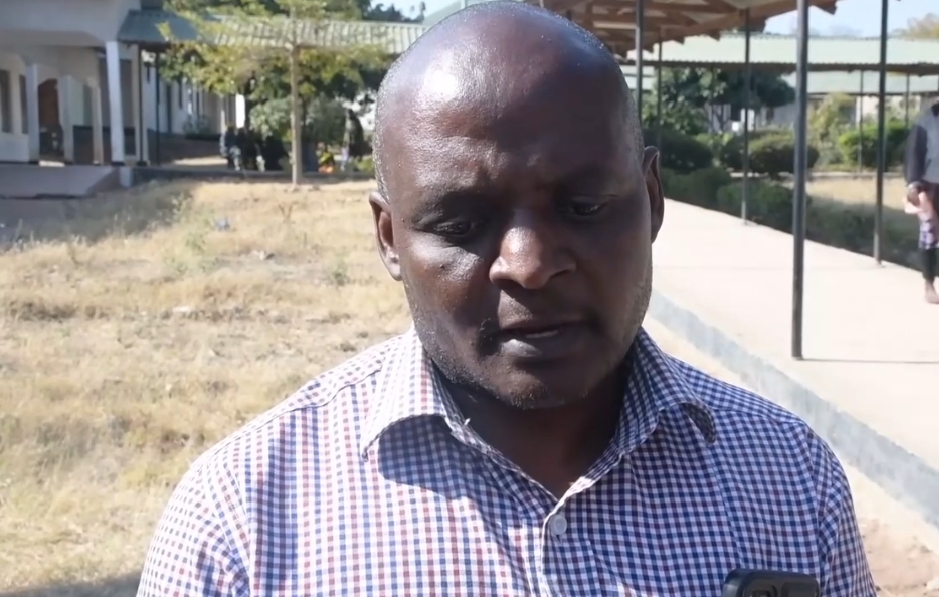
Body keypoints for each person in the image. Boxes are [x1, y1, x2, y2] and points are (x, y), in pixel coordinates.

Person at [136, 3, 876, 596]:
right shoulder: (243, 523)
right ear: (390, 238)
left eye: (583, 207)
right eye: (461, 225)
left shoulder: (788, 478)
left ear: (651, 200)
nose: (528, 265)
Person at [904, 97, 939, 304]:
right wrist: (913, 185)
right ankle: (929, 284)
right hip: (930, 186)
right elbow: (914, 154)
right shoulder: (926, 121)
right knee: (929, 234)